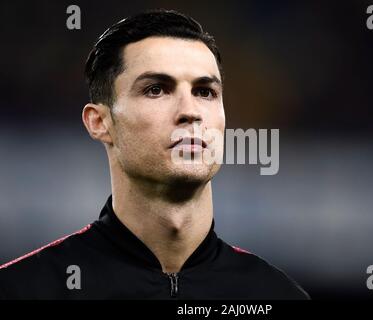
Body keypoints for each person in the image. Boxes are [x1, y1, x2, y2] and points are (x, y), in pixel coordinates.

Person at [0, 9, 309, 300]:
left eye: (205, 92)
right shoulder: (24, 288)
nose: (190, 112)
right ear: (100, 122)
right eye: (156, 89)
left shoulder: (274, 294)